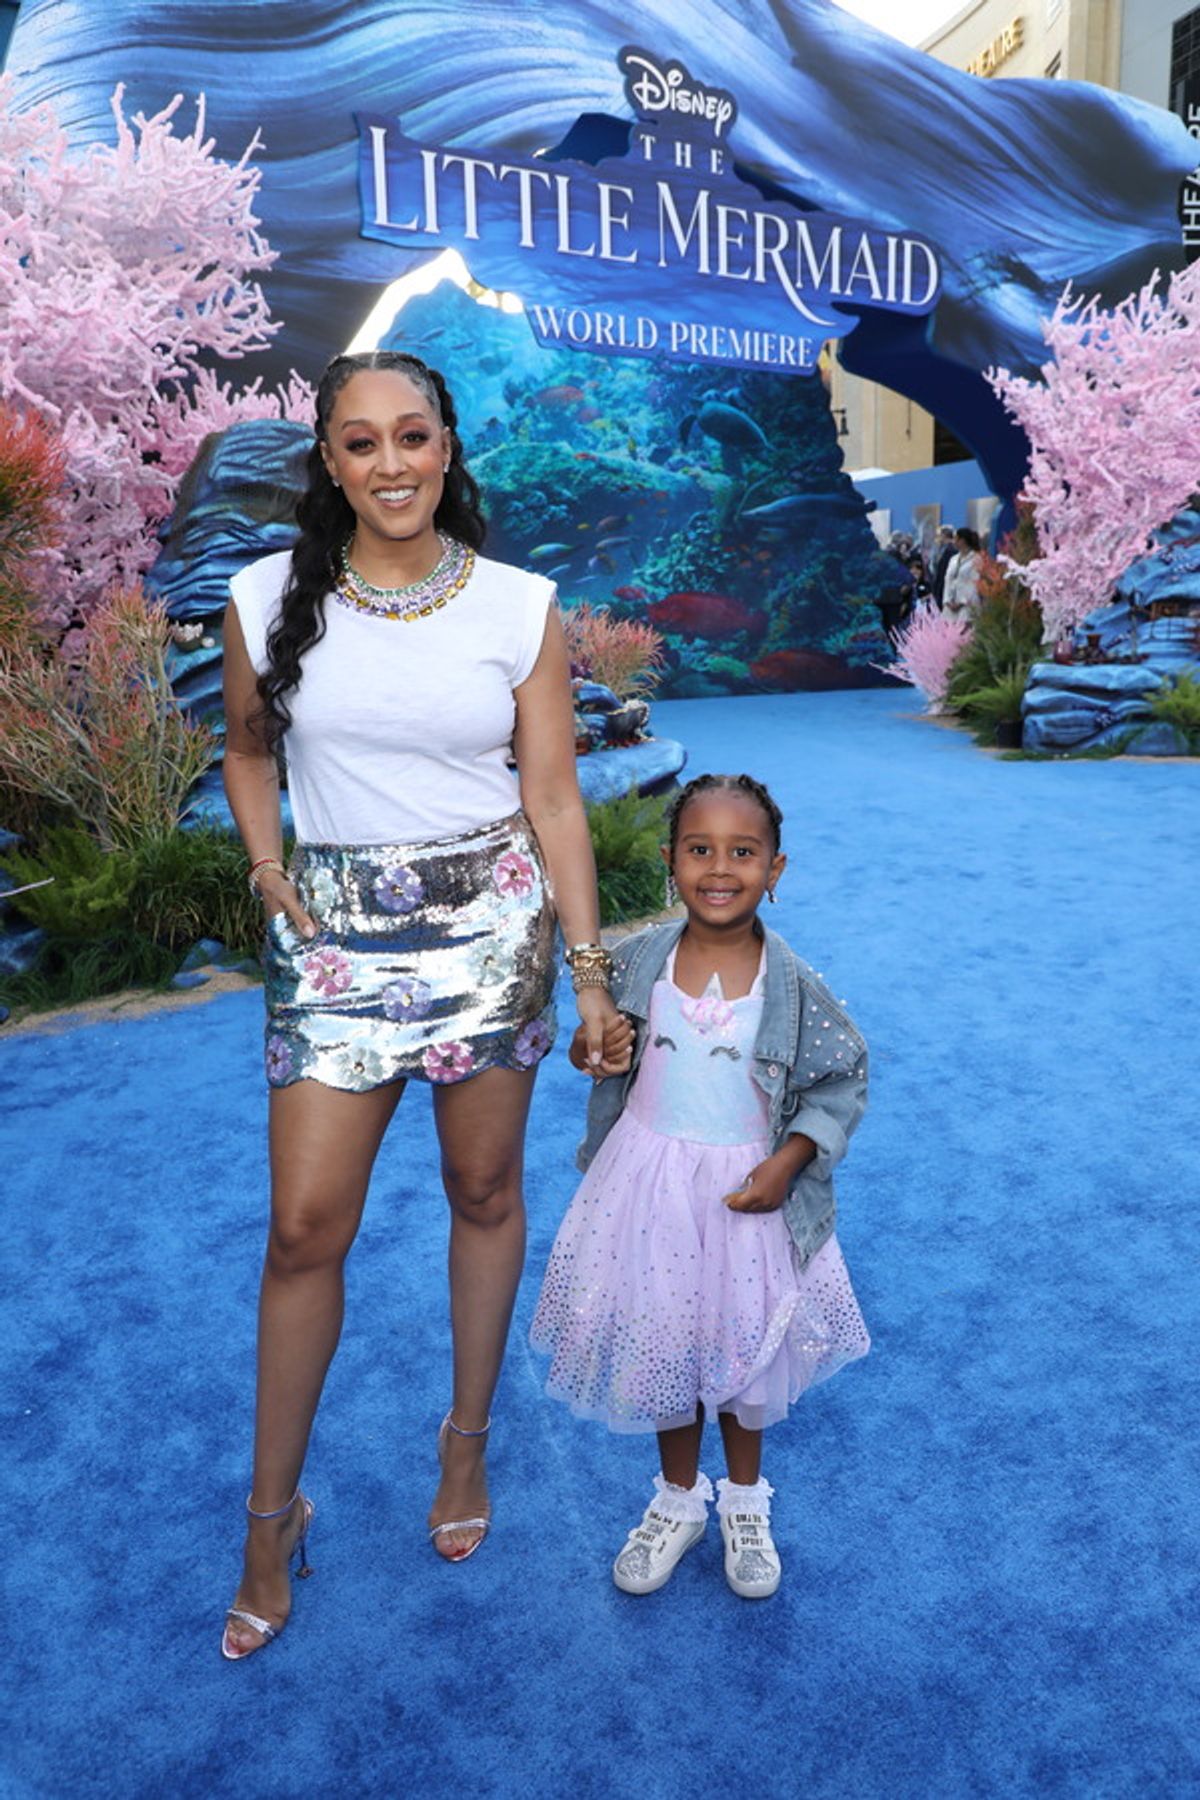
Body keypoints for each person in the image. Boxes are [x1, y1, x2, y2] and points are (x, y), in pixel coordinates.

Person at [219, 349, 625, 1660]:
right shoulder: (262, 596)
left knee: (484, 1193)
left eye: (411, 436)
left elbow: (553, 796)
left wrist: (589, 971)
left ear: (447, 448)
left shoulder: (519, 604)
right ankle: (270, 1518)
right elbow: (246, 752)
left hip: (490, 932)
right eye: (361, 441)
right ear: (330, 463)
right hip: (331, 945)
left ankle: (466, 1445)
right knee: (302, 1232)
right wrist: (268, 865)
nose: (390, 462)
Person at [531, 774, 870, 1600]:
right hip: (649, 1192)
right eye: (699, 849)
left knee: (744, 1352)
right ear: (669, 861)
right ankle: (678, 1500)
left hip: (745, 1197)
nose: (720, 868)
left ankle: (744, 1503)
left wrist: (788, 1163)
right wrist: (591, 1050)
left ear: (775, 870)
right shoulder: (637, 962)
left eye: (743, 852)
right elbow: (596, 1045)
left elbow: (840, 1082)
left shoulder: (794, 986)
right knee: (666, 1342)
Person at [943, 527, 983, 617]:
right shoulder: (953, 559)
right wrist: (947, 600)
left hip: (967, 606)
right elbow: (947, 579)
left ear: (962, 541)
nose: (954, 542)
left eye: (956, 539)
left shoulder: (976, 559)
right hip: (950, 606)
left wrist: (961, 602)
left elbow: (974, 583)